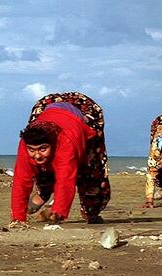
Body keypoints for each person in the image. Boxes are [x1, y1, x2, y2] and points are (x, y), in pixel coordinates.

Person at [11, 92, 111, 224]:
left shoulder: (65, 143)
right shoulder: (26, 143)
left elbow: (66, 178)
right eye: (32, 150)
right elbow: (21, 181)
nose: (37, 154)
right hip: (47, 104)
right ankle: (44, 192)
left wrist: (58, 211)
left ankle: (91, 211)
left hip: (85, 111)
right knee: (41, 166)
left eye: (42, 149)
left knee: (91, 169)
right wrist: (18, 218)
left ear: (52, 144)